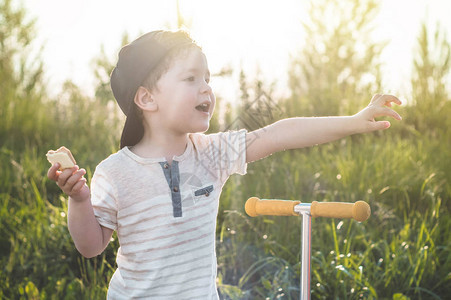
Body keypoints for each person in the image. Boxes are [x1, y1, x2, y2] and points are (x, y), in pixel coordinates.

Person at [47, 30, 402, 299]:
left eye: (208, 79)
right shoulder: (116, 171)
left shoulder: (212, 154)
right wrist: (79, 201)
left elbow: (281, 132)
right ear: (146, 98)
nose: (206, 89)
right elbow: (91, 246)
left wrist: (354, 120)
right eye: (191, 78)